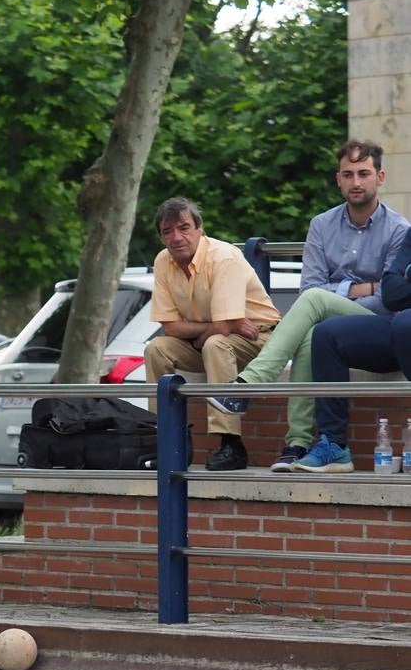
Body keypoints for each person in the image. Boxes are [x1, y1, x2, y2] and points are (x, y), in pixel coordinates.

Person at [207, 140, 410, 470]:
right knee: (313, 326)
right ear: (338, 180)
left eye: (364, 173)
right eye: (348, 174)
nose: (356, 182)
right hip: (335, 323)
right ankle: (298, 444)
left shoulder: (399, 229)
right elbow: (311, 287)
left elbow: (388, 297)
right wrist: (357, 288)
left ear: (380, 177)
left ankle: (249, 385)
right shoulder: (321, 225)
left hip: (377, 323)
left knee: (316, 304)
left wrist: (337, 293)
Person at [145, 197, 282, 470]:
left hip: (259, 341)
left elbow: (221, 329)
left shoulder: (224, 256)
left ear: (200, 229)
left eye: (184, 228)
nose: (176, 238)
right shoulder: (163, 261)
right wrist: (223, 325)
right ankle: (164, 441)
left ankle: (231, 444)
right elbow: (171, 327)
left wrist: (217, 328)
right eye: (167, 231)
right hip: (208, 343)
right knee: (156, 348)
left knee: (217, 344)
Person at [291, 234, 411, 472]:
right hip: (400, 331)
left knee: (405, 323)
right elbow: (391, 293)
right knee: (327, 334)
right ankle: (334, 446)